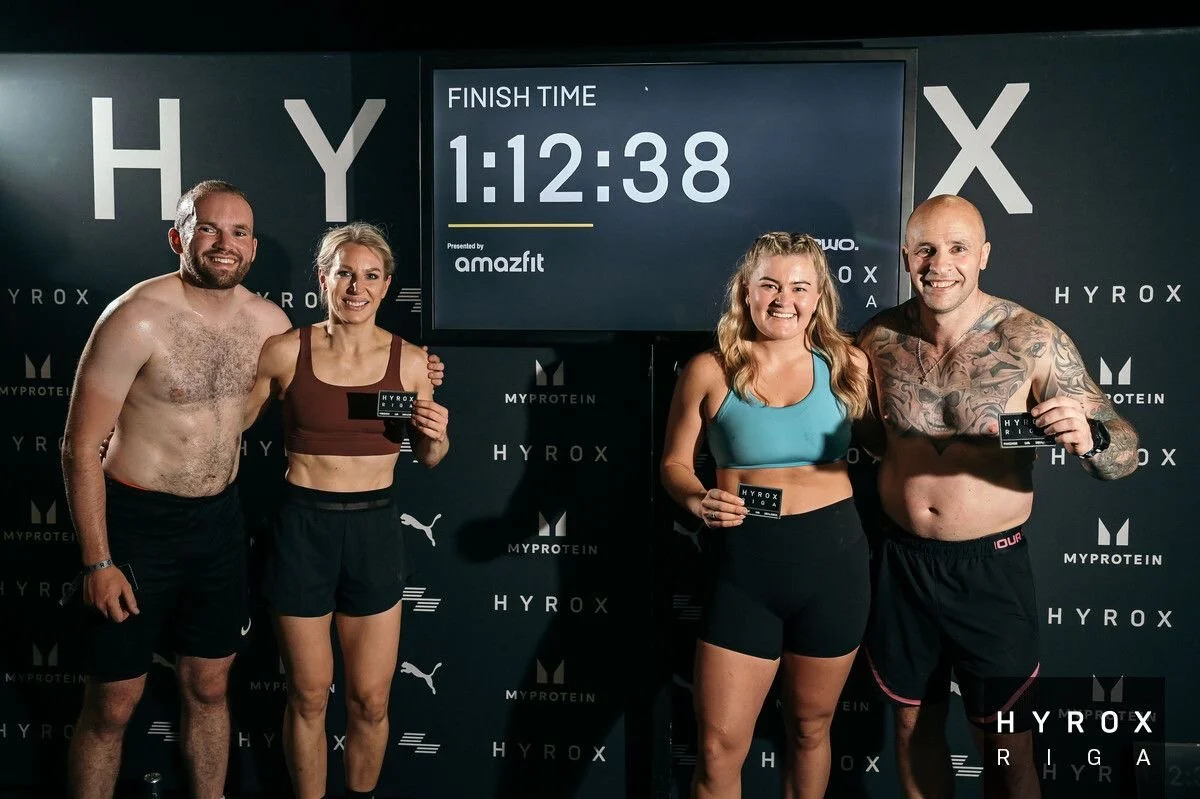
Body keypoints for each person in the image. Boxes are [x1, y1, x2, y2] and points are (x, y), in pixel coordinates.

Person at [60, 181, 447, 799]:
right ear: (178, 237)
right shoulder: (137, 318)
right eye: (208, 229)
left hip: (219, 523)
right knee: (113, 702)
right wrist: (97, 558)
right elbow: (80, 446)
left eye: (238, 232)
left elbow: (344, 401)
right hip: (139, 520)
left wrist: (421, 382)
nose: (224, 243)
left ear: (253, 246)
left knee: (211, 687)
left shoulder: (267, 325)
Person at [853, 194, 1140, 799]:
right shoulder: (877, 337)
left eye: (958, 249)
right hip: (902, 563)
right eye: (925, 249)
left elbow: (1126, 457)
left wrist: (1091, 439)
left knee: (1007, 744)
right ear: (906, 255)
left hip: (989, 570)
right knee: (911, 726)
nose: (940, 264)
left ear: (983, 256)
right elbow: (869, 435)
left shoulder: (1033, 340)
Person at [660, 232, 873, 798]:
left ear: (819, 296)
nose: (785, 299)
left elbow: (905, 441)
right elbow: (676, 465)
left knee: (809, 729)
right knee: (718, 747)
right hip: (744, 569)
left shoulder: (849, 364)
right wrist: (695, 498)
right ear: (746, 292)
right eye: (770, 285)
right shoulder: (709, 369)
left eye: (800, 287)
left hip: (835, 566)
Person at [246, 221, 450, 799]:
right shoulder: (285, 351)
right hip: (301, 528)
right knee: (308, 695)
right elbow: (227, 427)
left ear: (387, 286)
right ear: (323, 280)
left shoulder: (411, 363)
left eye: (369, 277)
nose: (356, 288)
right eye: (344, 274)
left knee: (370, 698)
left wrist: (435, 434)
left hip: (374, 531)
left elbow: (431, 456)